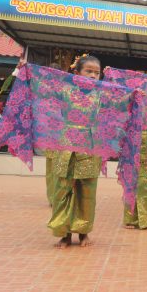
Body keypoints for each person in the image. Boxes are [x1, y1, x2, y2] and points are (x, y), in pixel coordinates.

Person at [47, 55, 103, 248]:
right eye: (89, 71)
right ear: (76, 73)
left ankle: (83, 233)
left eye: (97, 72)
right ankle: (64, 234)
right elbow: (42, 90)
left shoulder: (101, 95)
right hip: (66, 146)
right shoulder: (64, 91)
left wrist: (135, 95)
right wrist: (24, 71)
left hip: (89, 147)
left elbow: (122, 102)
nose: (94, 76)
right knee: (63, 191)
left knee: (86, 193)